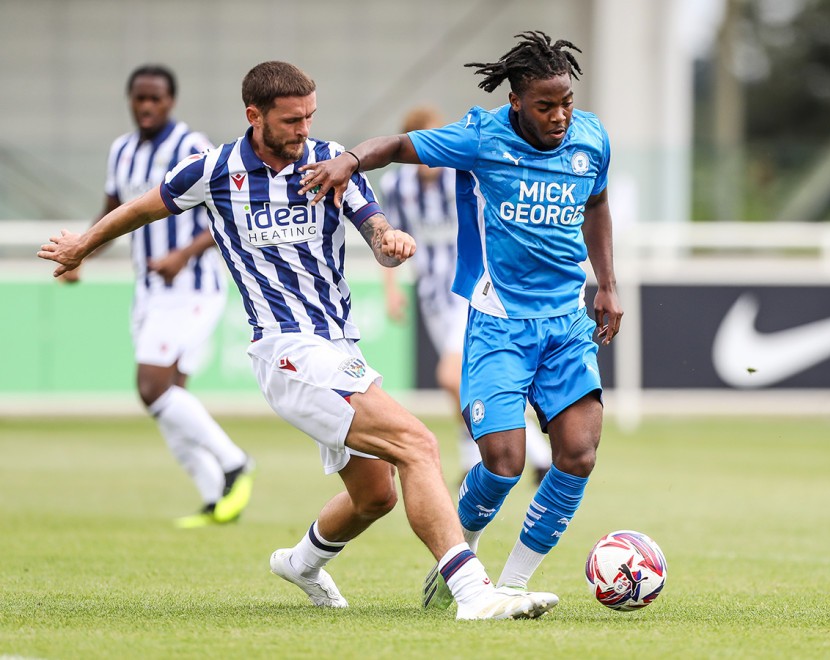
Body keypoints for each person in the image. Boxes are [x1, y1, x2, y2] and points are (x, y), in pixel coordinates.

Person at [39, 60, 558, 621]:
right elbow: (141, 207)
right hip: (286, 351)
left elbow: (374, 225)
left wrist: (391, 240)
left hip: (339, 347)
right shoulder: (213, 170)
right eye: (291, 120)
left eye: (310, 116)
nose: (304, 129)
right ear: (254, 116)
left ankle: (300, 561)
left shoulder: (328, 162)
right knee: (419, 444)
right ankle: (473, 593)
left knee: (375, 495)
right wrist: (83, 245)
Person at [297, 31, 622, 610]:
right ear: (517, 101)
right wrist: (348, 160)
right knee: (502, 464)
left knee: (578, 454)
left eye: (566, 102)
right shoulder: (481, 137)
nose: (560, 116)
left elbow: (596, 204)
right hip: (499, 323)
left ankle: (514, 585)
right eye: (546, 105)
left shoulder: (591, 139)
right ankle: (461, 553)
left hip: (567, 321)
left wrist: (608, 286)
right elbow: (398, 145)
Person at [60, 64, 254, 529]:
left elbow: (232, 208)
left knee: (152, 387)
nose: (146, 106)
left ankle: (234, 464)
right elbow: (114, 212)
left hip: (192, 288)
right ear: (130, 100)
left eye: (156, 99)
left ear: (171, 102)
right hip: (148, 292)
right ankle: (215, 500)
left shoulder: (191, 145)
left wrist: (183, 254)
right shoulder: (121, 151)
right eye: (139, 98)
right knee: (169, 399)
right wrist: (82, 253)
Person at [380, 105, 552, 483]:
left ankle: (536, 453)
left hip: (471, 287)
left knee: (451, 376)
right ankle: (472, 455)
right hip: (432, 295)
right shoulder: (397, 187)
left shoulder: (463, 175)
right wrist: (392, 289)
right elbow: (388, 238)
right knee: (464, 381)